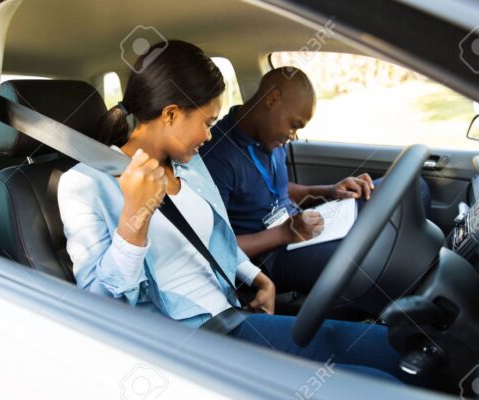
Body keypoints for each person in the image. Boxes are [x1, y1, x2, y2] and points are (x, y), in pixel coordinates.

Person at [57, 40, 405, 382]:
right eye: (207, 122)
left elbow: (215, 241)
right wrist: (135, 217)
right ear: (171, 115)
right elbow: (100, 306)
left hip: (234, 317)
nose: (210, 135)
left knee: (395, 349)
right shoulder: (85, 185)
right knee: (380, 386)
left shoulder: (189, 167)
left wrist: (258, 278)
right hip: (189, 346)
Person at [200, 67, 432, 294]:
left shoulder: (269, 136)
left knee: (413, 189)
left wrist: (330, 191)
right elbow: (217, 247)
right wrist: (284, 233)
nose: (293, 136)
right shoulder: (217, 156)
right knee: (366, 260)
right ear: (272, 100)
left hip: (298, 227)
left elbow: (276, 189)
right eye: (294, 125)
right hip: (271, 256)